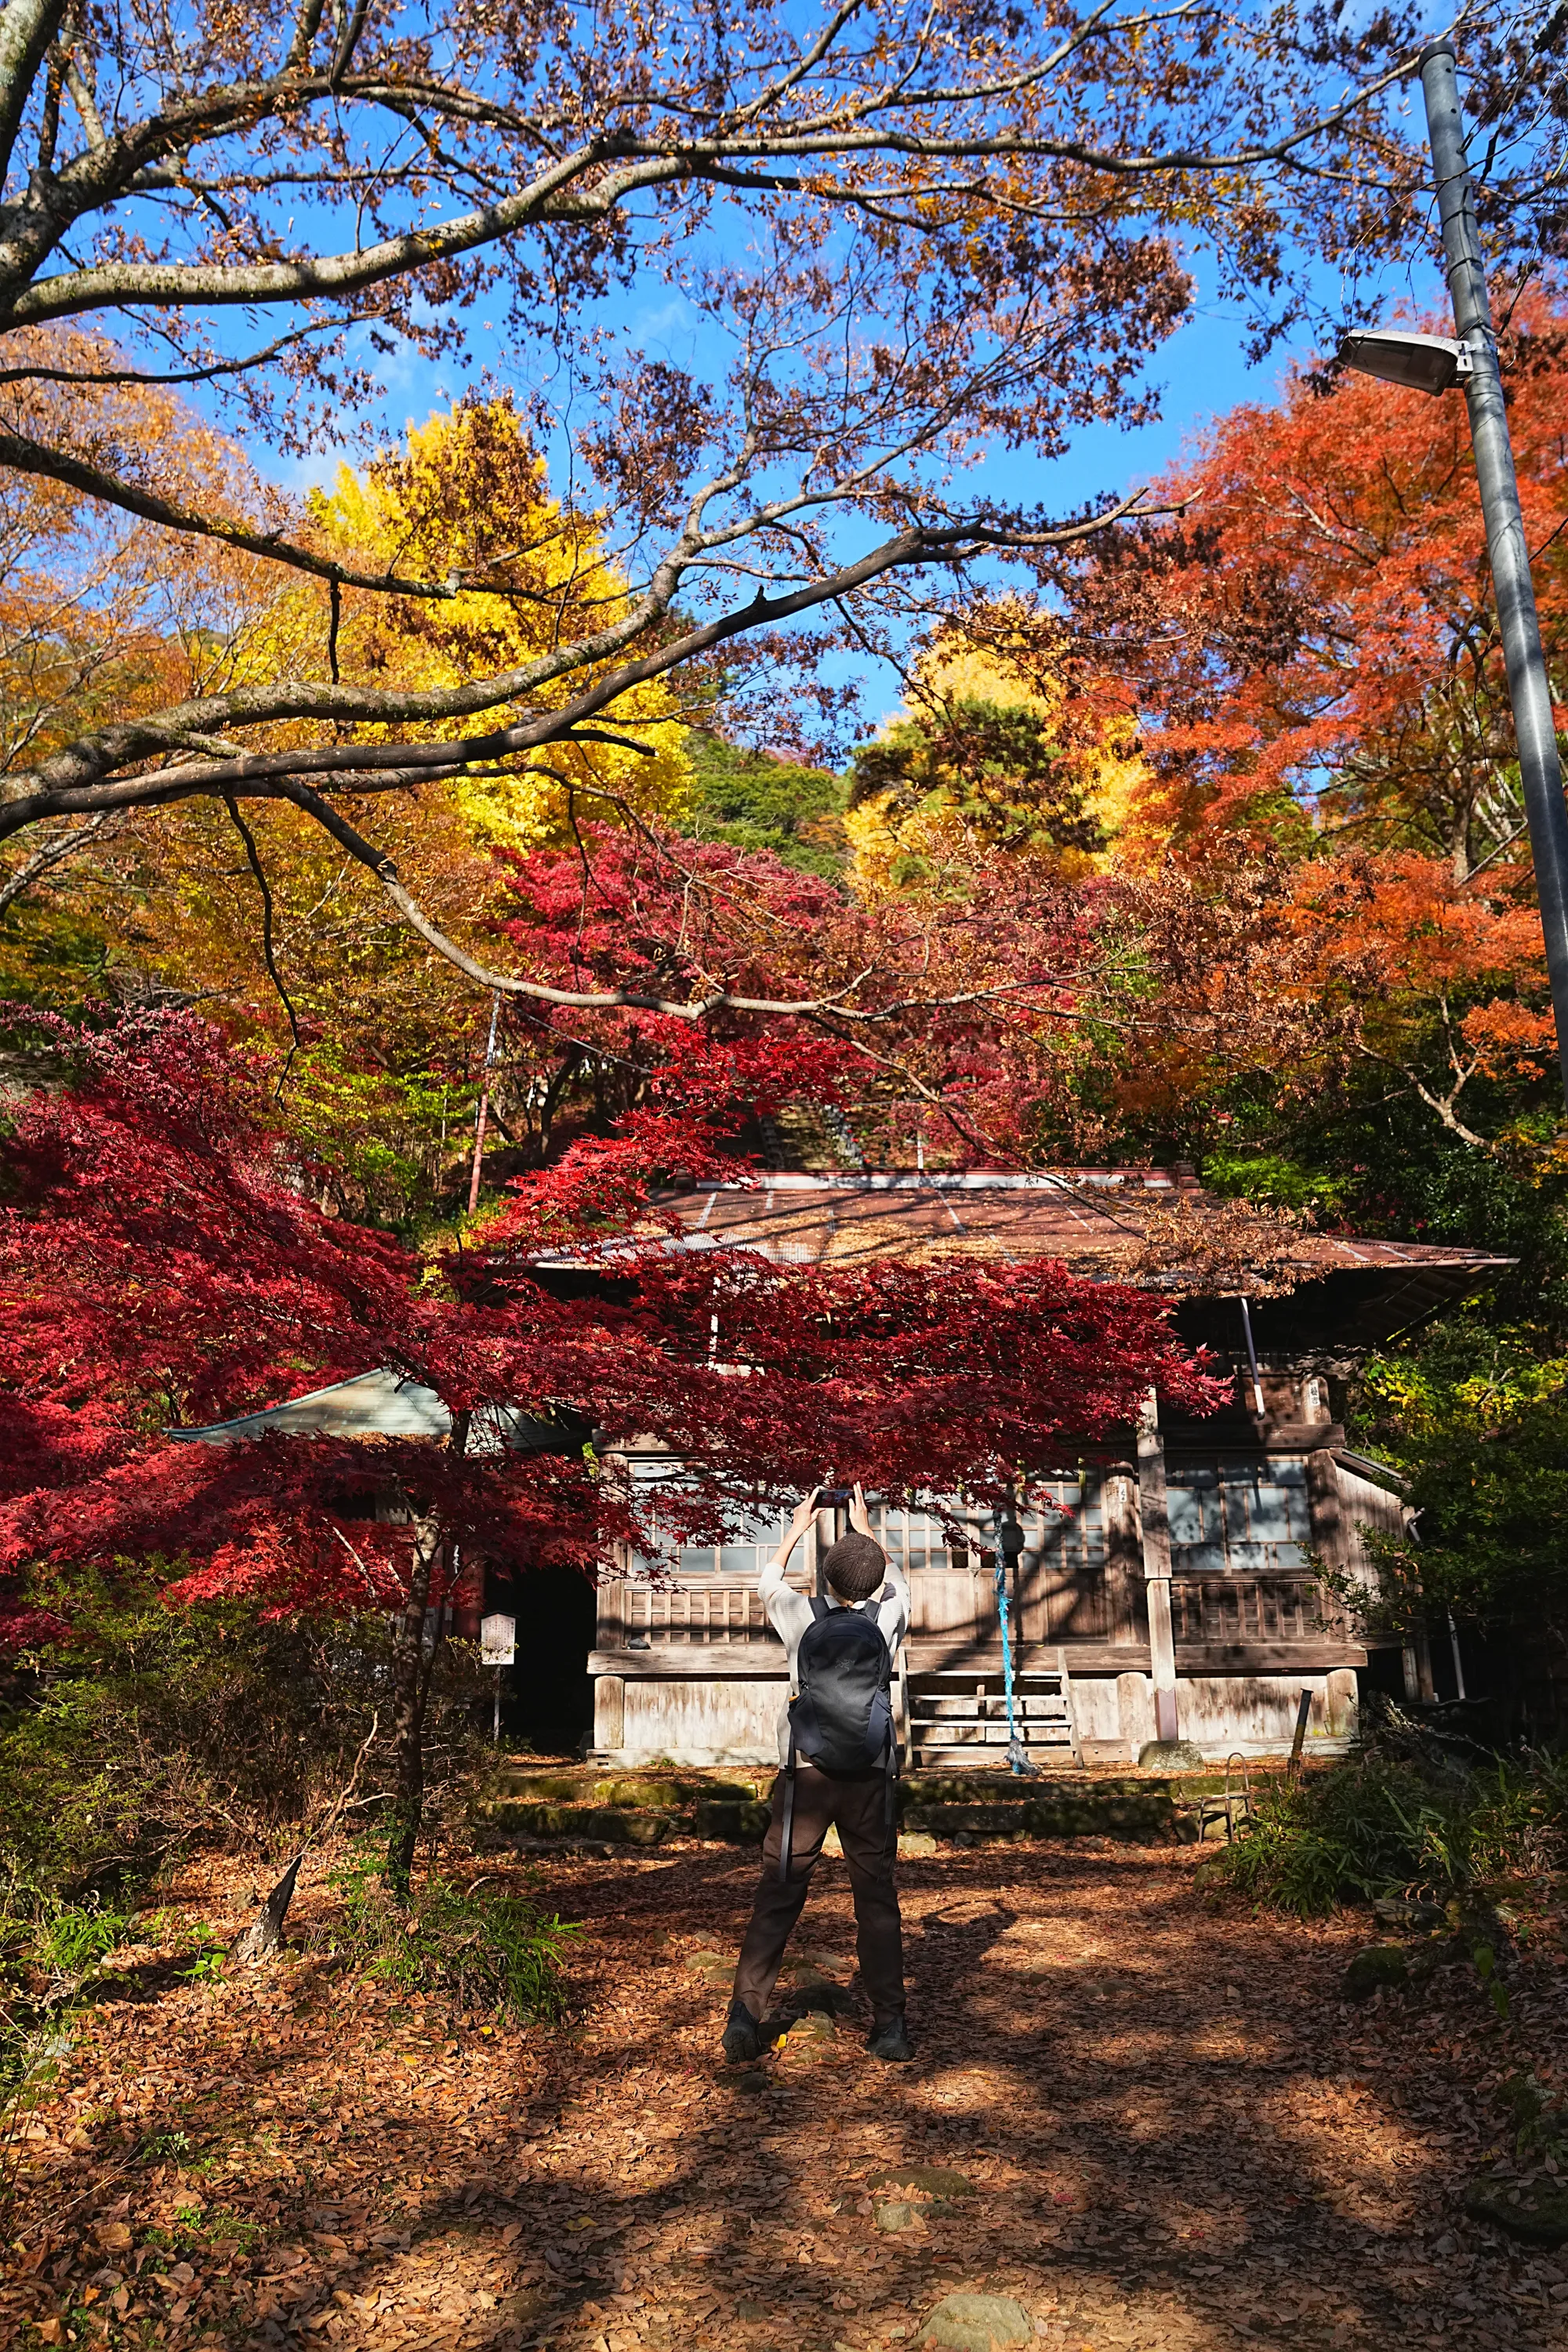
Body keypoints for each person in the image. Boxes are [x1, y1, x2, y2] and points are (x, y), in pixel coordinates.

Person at [723, 1483, 913, 2065]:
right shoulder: (888, 1618)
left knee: (778, 1896)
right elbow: (899, 1583)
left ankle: (742, 2022)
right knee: (875, 1900)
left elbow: (767, 1583)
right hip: (871, 1779)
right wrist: (868, 1528)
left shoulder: (801, 1617)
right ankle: (890, 2028)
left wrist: (798, 1528)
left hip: (803, 1777)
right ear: (874, 1578)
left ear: (827, 1581)